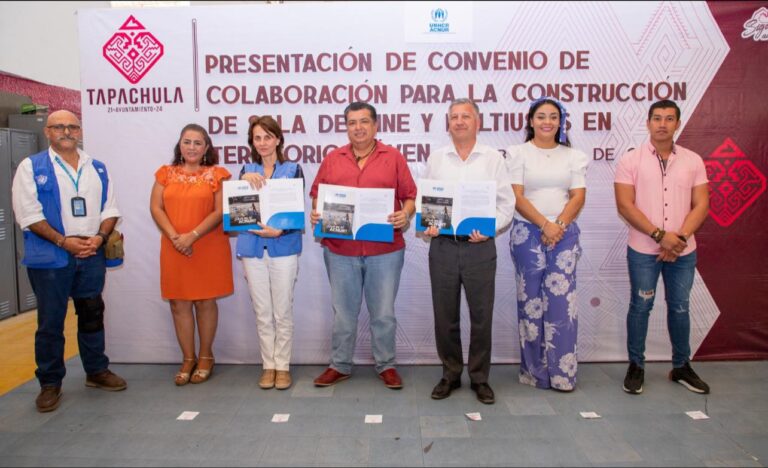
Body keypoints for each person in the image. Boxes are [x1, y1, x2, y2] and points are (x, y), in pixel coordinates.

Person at [11, 110, 127, 413]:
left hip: (91, 252)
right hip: (52, 254)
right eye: (59, 127)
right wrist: (64, 242)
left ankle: (96, 371)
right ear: (47, 132)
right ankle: (50, 383)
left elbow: (110, 208)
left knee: (92, 313)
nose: (67, 131)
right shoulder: (31, 167)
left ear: (80, 131)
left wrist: (99, 238)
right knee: (50, 320)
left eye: (72, 127)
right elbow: (28, 213)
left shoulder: (97, 168)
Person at [309, 101, 417, 389]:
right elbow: (317, 195)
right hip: (340, 250)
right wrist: (317, 212)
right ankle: (340, 365)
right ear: (346, 127)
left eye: (364, 121)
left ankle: (386, 365)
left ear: (376, 125)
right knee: (343, 312)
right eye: (352, 122)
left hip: (385, 250)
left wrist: (404, 214)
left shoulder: (393, 157)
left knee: (383, 313)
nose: (358, 127)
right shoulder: (332, 158)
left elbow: (410, 197)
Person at [423, 99, 516, 404]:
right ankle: (450, 373)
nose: (459, 122)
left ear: (478, 122)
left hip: (479, 249)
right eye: (454, 117)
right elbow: (431, 202)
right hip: (444, 248)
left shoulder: (493, 159)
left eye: (466, 116)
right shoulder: (437, 159)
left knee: (480, 316)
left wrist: (490, 229)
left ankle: (479, 377)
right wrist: (431, 225)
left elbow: (506, 204)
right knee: (444, 316)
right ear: (447, 124)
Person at [614, 99, 710, 395]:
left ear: (677, 124)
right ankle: (636, 366)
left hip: (682, 250)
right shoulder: (630, 161)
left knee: (680, 307)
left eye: (669, 119)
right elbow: (625, 205)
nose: (662, 124)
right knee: (641, 306)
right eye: (657, 118)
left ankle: (681, 365)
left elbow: (702, 204)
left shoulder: (693, 160)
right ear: (648, 123)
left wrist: (678, 239)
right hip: (644, 249)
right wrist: (659, 235)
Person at [506, 97, 588, 392]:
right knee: (530, 303)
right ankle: (535, 373)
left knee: (562, 305)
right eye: (541, 116)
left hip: (564, 233)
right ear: (530, 121)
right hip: (528, 232)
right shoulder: (518, 154)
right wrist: (544, 224)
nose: (547, 122)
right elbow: (517, 196)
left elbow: (577, 196)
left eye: (554, 117)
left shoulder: (573, 156)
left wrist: (559, 225)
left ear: (561, 122)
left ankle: (563, 375)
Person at [149, 123, 233, 386]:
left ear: (206, 148)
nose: (192, 147)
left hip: (207, 245)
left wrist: (192, 236)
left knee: (206, 301)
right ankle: (188, 358)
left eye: (198, 143)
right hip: (174, 246)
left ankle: (206, 356)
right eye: (187, 142)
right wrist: (176, 237)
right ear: (180, 145)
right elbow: (156, 207)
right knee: (179, 303)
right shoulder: (165, 174)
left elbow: (220, 211)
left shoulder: (218, 175)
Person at [237, 116, 304, 390]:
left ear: (278, 139)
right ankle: (268, 366)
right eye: (257, 138)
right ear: (252, 142)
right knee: (262, 311)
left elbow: (298, 213)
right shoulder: (246, 169)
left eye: (267, 137)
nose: (263, 143)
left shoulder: (293, 169)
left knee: (282, 311)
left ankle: (283, 366)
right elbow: (237, 209)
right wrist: (242, 180)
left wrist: (281, 231)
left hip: (283, 247)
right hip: (252, 249)